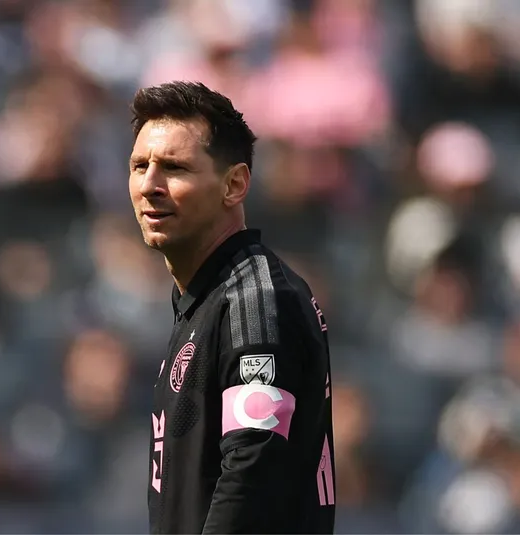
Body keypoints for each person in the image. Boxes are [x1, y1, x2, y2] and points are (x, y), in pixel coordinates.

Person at [128, 81, 336, 534]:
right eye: (140, 165)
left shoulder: (256, 298)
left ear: (234, 184)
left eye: (174, 168)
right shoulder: (206, 300)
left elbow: (253, 465)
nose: (149, 186)